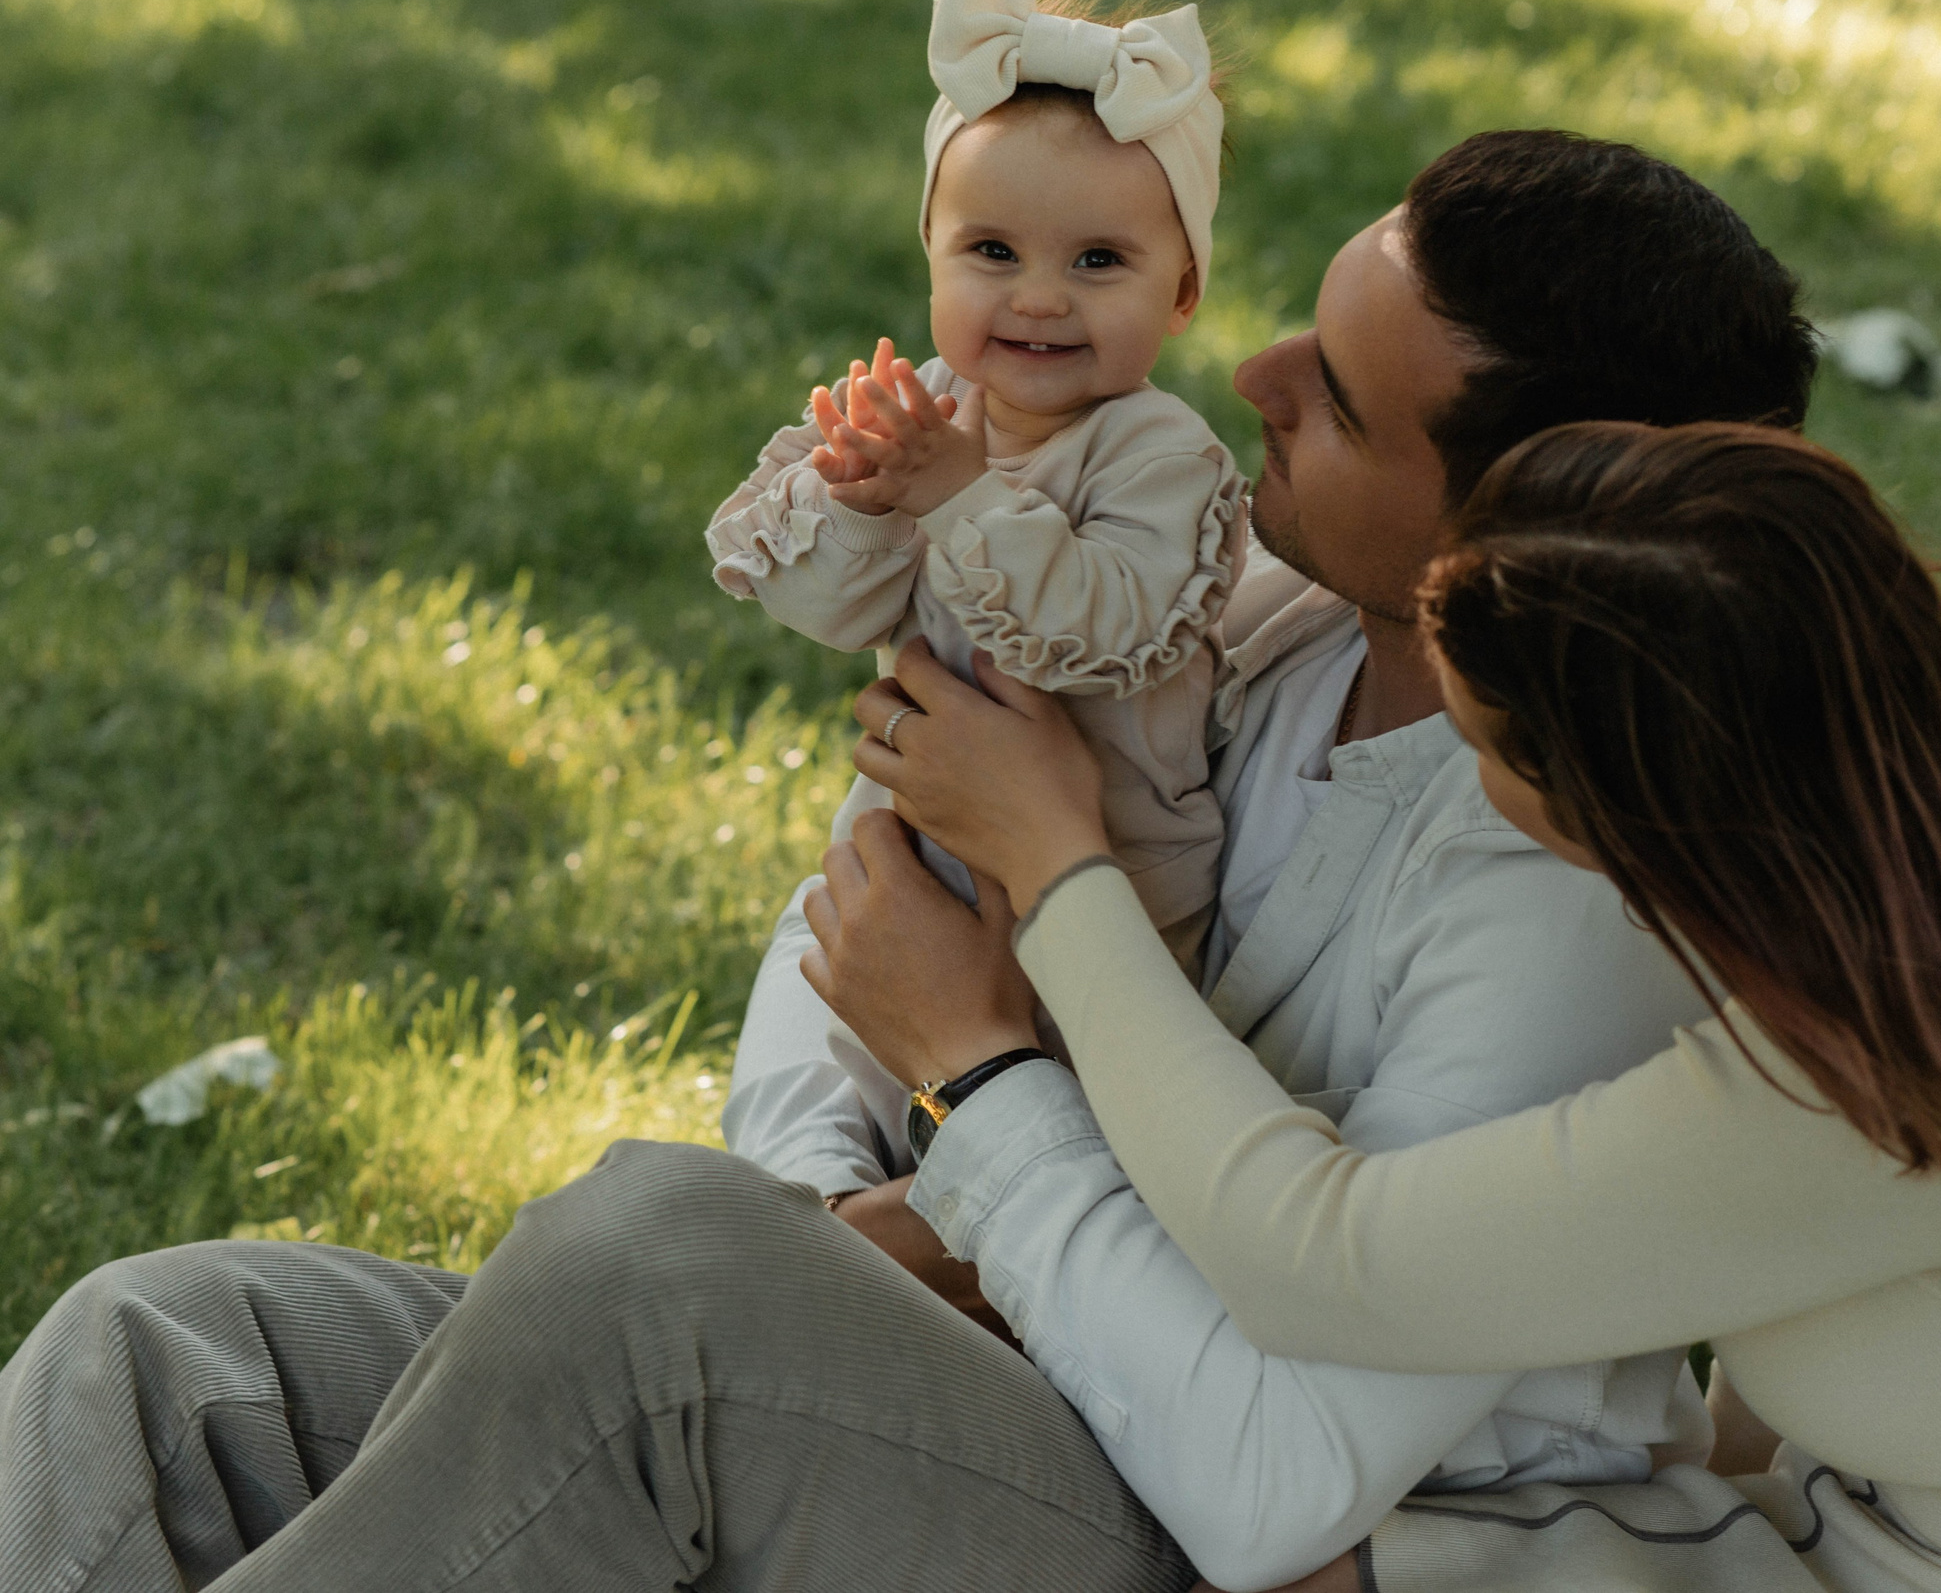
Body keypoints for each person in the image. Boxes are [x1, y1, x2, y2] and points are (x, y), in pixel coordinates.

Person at [0, 129, 1820, 1592]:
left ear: (1534, 503)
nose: (1252, 370)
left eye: (1338, 395)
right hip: (994, 1358)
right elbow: (867, 891)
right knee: (171, 1346)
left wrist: (974, 1089)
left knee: (659, 1274)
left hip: (1257, 1534)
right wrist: (824, 1217)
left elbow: (1277, 1488)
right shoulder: (1231, 601)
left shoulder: (1566, 889)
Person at [831, 420, 1941, 1591]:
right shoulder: (1929, 711)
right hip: (1906, 1535)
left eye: (1482, 749)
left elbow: (1316, 1248)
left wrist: (1047, 900)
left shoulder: (1889, 1075)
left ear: (1628, 812)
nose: (1447, 764)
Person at [707, 0, 1244, 957]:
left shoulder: (1162, 457)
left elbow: (1105, 636)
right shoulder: (928, 410)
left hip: (1115, 891)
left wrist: (956, 494)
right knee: (874, 1070)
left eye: (1098, 260)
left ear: (1180, 294)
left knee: (1061, 1095)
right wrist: (860, 509)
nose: (1039, 296)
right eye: (991, 252)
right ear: (931, 259)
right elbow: (831, 613)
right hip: (915, 848)